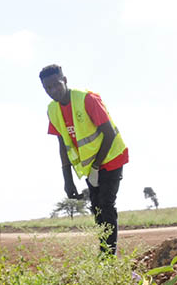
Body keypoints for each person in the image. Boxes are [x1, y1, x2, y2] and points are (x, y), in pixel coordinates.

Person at [40, 64, 128, 255]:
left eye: (56, 85)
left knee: (106, 204)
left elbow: (109, 133)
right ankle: (104, 250)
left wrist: (97, 166)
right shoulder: (52, 110)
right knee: (96, 208)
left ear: (64, 80)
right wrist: (68, 180)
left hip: (111, 156)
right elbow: (62, 144)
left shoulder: (87, 99)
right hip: (91, 166)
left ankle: (108, 258)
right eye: (48, 88)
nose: (53, 91)